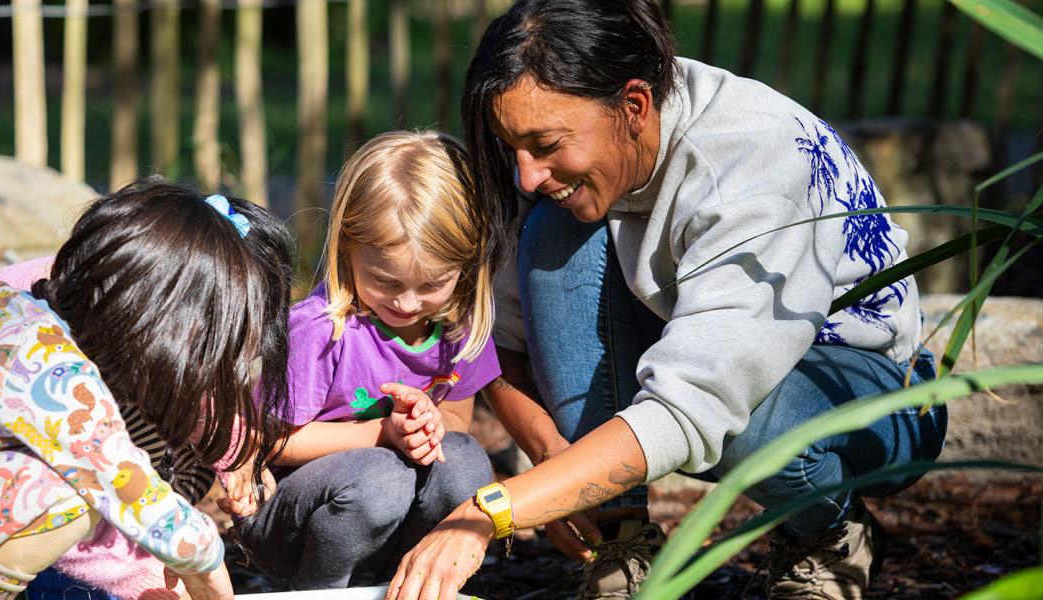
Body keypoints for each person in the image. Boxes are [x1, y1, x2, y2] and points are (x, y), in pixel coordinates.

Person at [386, 2, 948, 600]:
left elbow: (698, 403)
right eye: (513, 147)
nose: (525, 175)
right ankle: (618, 543)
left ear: (634, 106)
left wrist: (494, 510)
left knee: (746, 419)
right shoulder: (556, 162)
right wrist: (557, 476)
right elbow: (491, 346)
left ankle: (829, 535)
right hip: (704, 369)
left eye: (546, 145)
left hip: (873, 393)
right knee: (554, 229)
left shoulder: (751, 161)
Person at [0, 179, 294, 600]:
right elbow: (130, 489)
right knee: (72, 498)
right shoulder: (54, 372)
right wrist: (207, 564)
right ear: (165, 329)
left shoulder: (5, 308)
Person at [231, 130, 499, 590]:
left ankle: (414, 584)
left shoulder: (459, 324)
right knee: (380, 478)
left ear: (466, 266)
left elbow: (457, 415)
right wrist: (382, 432)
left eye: (433, 284)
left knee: (467, 462)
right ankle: (320, 594)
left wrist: (430, 424)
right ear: (346, 248)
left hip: (386, 512)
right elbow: (269, 442)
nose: (409, 303)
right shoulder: (322, 329)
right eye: (386, 281)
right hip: (289, 517)